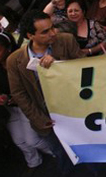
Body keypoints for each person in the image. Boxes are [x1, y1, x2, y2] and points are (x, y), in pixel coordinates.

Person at [7, 10, 85, 175]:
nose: (53, 33)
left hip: (75, 113)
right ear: (30, 35)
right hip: (46, 121)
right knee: (62, 155)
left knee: (87, 151)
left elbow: (84, 70)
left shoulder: (66, 40)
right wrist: (39, 119)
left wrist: (58, 64)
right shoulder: (14, 61)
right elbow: (19, 94)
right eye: (45, 32)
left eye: (52, 28)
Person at [0, 33, 53, 174]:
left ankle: (58, 153)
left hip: (26, 106)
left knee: (32, 140)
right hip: (10, 108)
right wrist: (0, 97)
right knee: (19, 141)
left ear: (8, 49)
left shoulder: (20, 62)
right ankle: (34, 162)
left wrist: (19, 97)